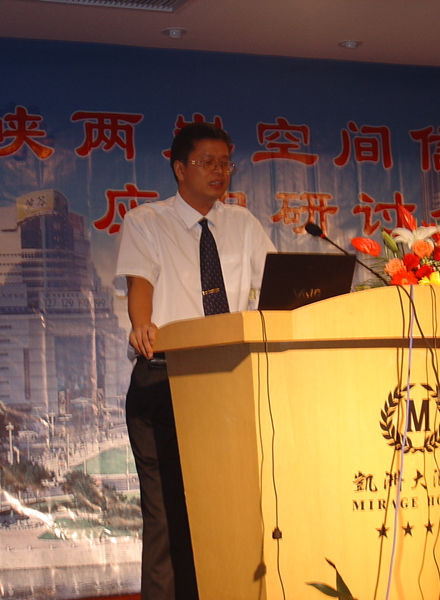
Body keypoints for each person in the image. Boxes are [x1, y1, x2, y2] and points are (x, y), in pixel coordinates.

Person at [115, 123, 275, 599]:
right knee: (167, 517)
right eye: (207, 162)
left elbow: (276, 286)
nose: (219, 171)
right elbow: (139, 283)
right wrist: (142, 324)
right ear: (180, 169)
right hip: (166, 379)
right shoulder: (146, 221)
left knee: (231, 511)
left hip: (230, 383)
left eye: (225, 162)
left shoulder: (243, 224)